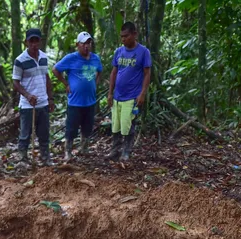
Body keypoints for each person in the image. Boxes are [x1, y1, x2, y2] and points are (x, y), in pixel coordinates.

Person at [52, 31, 103, 160]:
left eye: (89, 43)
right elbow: (55, 69)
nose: (86, 46)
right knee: (71, 129)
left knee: (87, 127)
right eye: (83, 43)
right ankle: (68, 152)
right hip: (75, 102)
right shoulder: (71, 58)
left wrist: (95, 85)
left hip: (90, 101)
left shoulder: (95, 58)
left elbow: (99, 72)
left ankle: (84, 149)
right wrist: (66, 84)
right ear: (77, 45)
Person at [107, 22, 151, 161]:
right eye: (121, 37)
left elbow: (147, 73)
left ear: (134, 34)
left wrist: (142, 93)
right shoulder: (119, 51)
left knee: (128, 124)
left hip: (132, 96)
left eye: (126, 36)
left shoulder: (143, 52)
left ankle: (126, 151)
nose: (123, 39)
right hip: (117, 96)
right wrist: (110, 93)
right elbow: (114, 72)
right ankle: (115, 150)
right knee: (116, 124)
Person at [12, 28, 55, 165]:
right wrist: (27, 95)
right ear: (26, 42)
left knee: (44, 133)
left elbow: (47, 78)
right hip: (27, 105)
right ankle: (23, 159)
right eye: (31, 41)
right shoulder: (20, 60)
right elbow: (15, 82)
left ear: (40, 42)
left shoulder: (44, 57)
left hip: (43, 102)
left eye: (36, 41)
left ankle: (45, 157)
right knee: (25, 133)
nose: (34, 44)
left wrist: (50, 98)